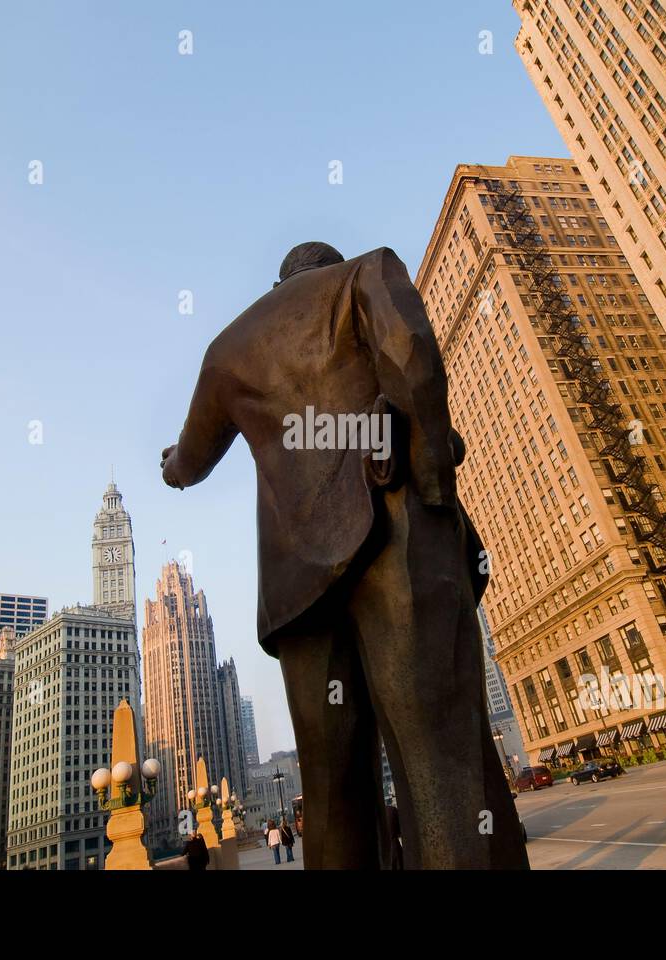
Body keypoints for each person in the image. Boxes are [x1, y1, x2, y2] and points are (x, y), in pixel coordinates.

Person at [160, 242, 527, 870]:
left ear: (280, 281)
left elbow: (186, 465)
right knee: (436, 756)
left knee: (331, 789)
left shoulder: (227, 350)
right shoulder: (366, 271)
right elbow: (412, 353)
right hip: (395, 528)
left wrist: (169, 462)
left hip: (297, 592)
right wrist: (433, 487)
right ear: (326, 266)